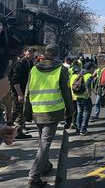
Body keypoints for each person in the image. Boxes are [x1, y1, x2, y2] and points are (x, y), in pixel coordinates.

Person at [24, 44, 72, 188]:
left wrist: (26, 113)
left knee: (42, 142)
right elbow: (66, 93)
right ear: (57, 54)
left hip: (37, 111)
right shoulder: (61, 70)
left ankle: (45, 165)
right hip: (52, 113)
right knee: (44, 144)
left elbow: (28, 93)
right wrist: (69, 112)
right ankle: (33, 176)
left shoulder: (34, 69)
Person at [8, 47, 35, 139]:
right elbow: (15, 80)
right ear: (24, 52)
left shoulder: (30, 63)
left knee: (22, 112)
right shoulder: (20, 64)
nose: (31, 54)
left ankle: (19, 132)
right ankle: (13, 132)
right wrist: (19, 94)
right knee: (17, 112)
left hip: (25, 91)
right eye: (29, 52)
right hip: (18, 91)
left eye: (32, 52)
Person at [75, 62, 94, 136]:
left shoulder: (80, 74)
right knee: (87, 112)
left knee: (79, 112)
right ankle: (83, 129)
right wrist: (89, 93)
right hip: (86, 97)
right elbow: (89, 87)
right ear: (90, 68)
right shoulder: (90, 76)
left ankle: (78, 128)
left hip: (79, 96)